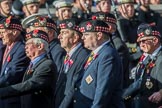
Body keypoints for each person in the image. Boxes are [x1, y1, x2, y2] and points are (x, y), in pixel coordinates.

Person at [71, 20, 125, 108]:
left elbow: (103, 89)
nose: (83, 38)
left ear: (99, 35)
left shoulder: (107, 55)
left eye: (86, 34)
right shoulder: (96, 53)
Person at [0, 29, 56, 108]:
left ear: (40, 46)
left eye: (29, 44)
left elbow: (30, 85)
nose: (25, 47)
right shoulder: (32, 64)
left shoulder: (47, 65)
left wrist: (2, 92)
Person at [56, 18, 90, 108]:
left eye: (64, 33)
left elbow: (74, 88)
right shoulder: (67, 56)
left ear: (75, 38)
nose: (59, 36)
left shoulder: (83, 56)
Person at [126, 23, 162, 108]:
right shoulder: (147, 57)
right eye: (140, 42)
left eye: (144, 41)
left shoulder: (160, 58)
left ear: (155, 41)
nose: (141, 45)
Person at [22, 14, 66, 82]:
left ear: (50, 33)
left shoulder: (57, 50)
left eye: (38, 32)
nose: (33, 36)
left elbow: (57, 78)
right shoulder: (50, 48)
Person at [91, 12, 130, 88]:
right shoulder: (97, 44)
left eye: (97, 25)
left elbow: (112, 75)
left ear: (109, 28)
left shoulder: (117, 45)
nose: (93, 27)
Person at [0, 16, 30, 108]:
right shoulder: (7, 47)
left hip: (13, 101)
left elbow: (12, 74)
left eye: (3, 32)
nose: (0, 36)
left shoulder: (21, 49)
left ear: (14, 32)